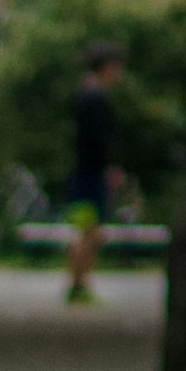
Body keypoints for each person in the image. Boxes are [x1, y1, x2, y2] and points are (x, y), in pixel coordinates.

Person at [64, 43, 127, 305]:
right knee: (90, 232)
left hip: (81, 173)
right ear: (107, 68)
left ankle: (78, 282)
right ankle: (79, 283)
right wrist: (108, 168)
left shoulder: (83, 95)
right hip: (91, 175)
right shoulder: (95, 98)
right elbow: (98, 140)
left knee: (85, 230)